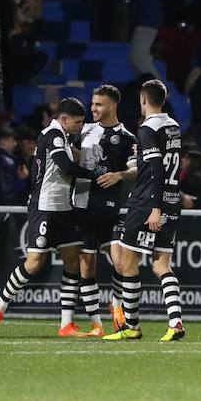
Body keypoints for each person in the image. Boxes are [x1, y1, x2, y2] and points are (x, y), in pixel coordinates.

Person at [0, 97, 93, 338]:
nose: (80, 127)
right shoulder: (52, 135)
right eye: (78, 122)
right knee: (34, 263)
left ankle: (66, 324)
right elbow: (64, 166)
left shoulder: (63, 137)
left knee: (73, 260)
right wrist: (94, 175)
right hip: (44, 207)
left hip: (65, 208)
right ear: (64, 119)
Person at [104, 80, 188, 342]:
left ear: (143, 100)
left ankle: (132, 326)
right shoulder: (173, 125)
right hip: (172, 200)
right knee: (161, 264)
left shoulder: (147, 128)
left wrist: (155, 207)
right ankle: (175, 322)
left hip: (148, 203)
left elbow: (156, 168)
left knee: (127, 262)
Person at [73, 85, 137, 337]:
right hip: (85, 207)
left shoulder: (126, 137)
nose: (93, 108)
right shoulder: (85, 130)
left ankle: (117, 306)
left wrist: (119, 175)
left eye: (99, 104)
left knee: (121, 264)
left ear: (113, 106)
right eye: (92, 104)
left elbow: (136, 169)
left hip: (113, 210)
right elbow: (74, 156)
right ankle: (96, 324)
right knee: (86, 266)